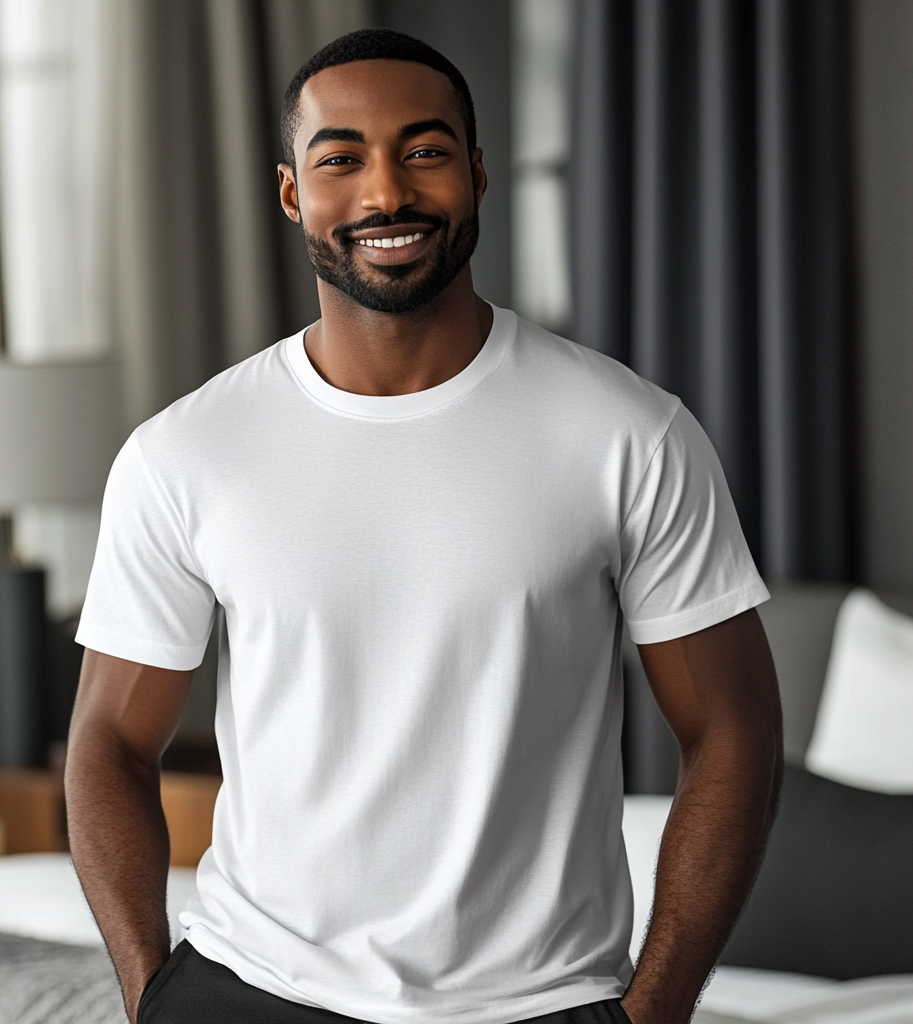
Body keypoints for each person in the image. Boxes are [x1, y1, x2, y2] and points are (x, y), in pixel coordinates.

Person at [67, 28, 782, 1024]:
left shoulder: (629, 435)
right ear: (291, 193)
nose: (385, 192)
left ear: (478, 173)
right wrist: (153, 993)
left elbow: (734, 729)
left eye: (424, 150)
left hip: (541, 1004)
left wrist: (652, 1009)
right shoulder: (184, 454)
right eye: (340, 159)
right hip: (250, 988)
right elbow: (106, 739)